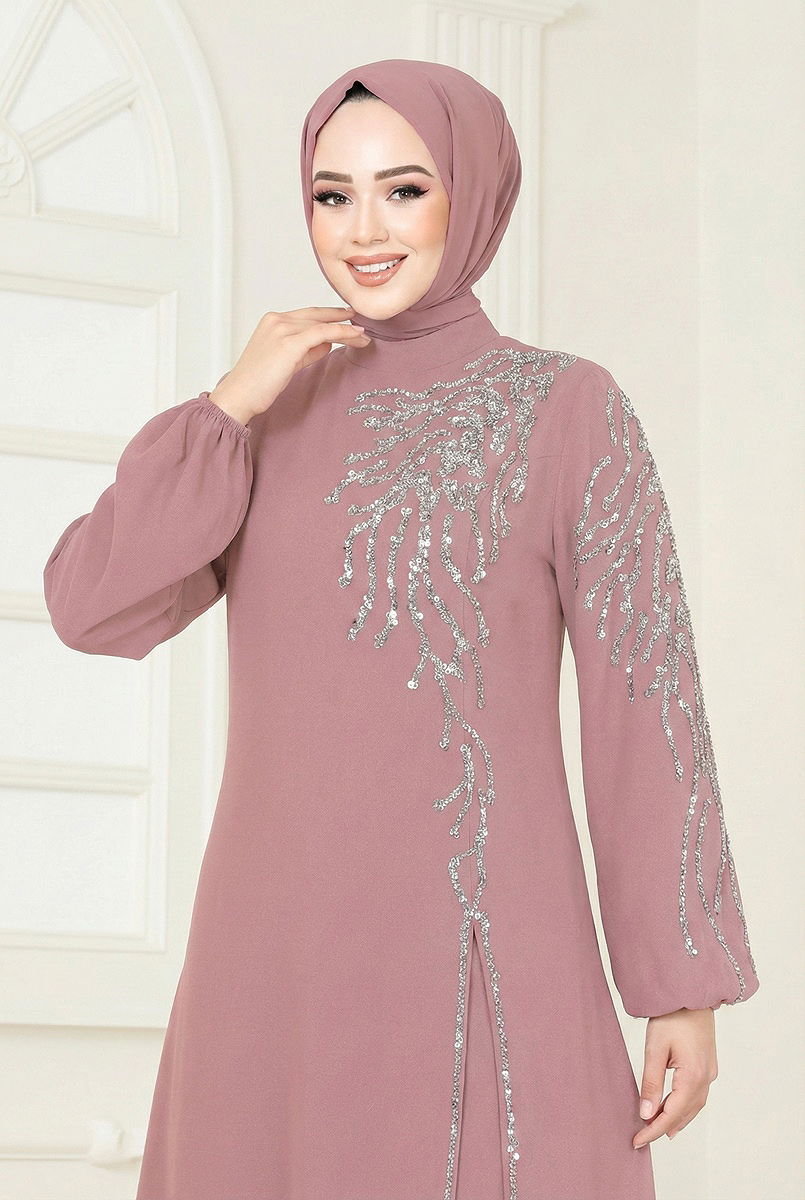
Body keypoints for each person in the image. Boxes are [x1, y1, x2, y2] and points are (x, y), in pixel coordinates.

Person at [43, 59, 760, 1200]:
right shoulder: (260, 416)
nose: (363, 231)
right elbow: (90, 606)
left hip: (481, 943)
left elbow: (646, 700)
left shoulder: (565, 409)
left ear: (471, 195)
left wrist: (679, 988)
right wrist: (226, 404)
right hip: (270, 962)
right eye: (332, 195)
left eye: (404, 190)